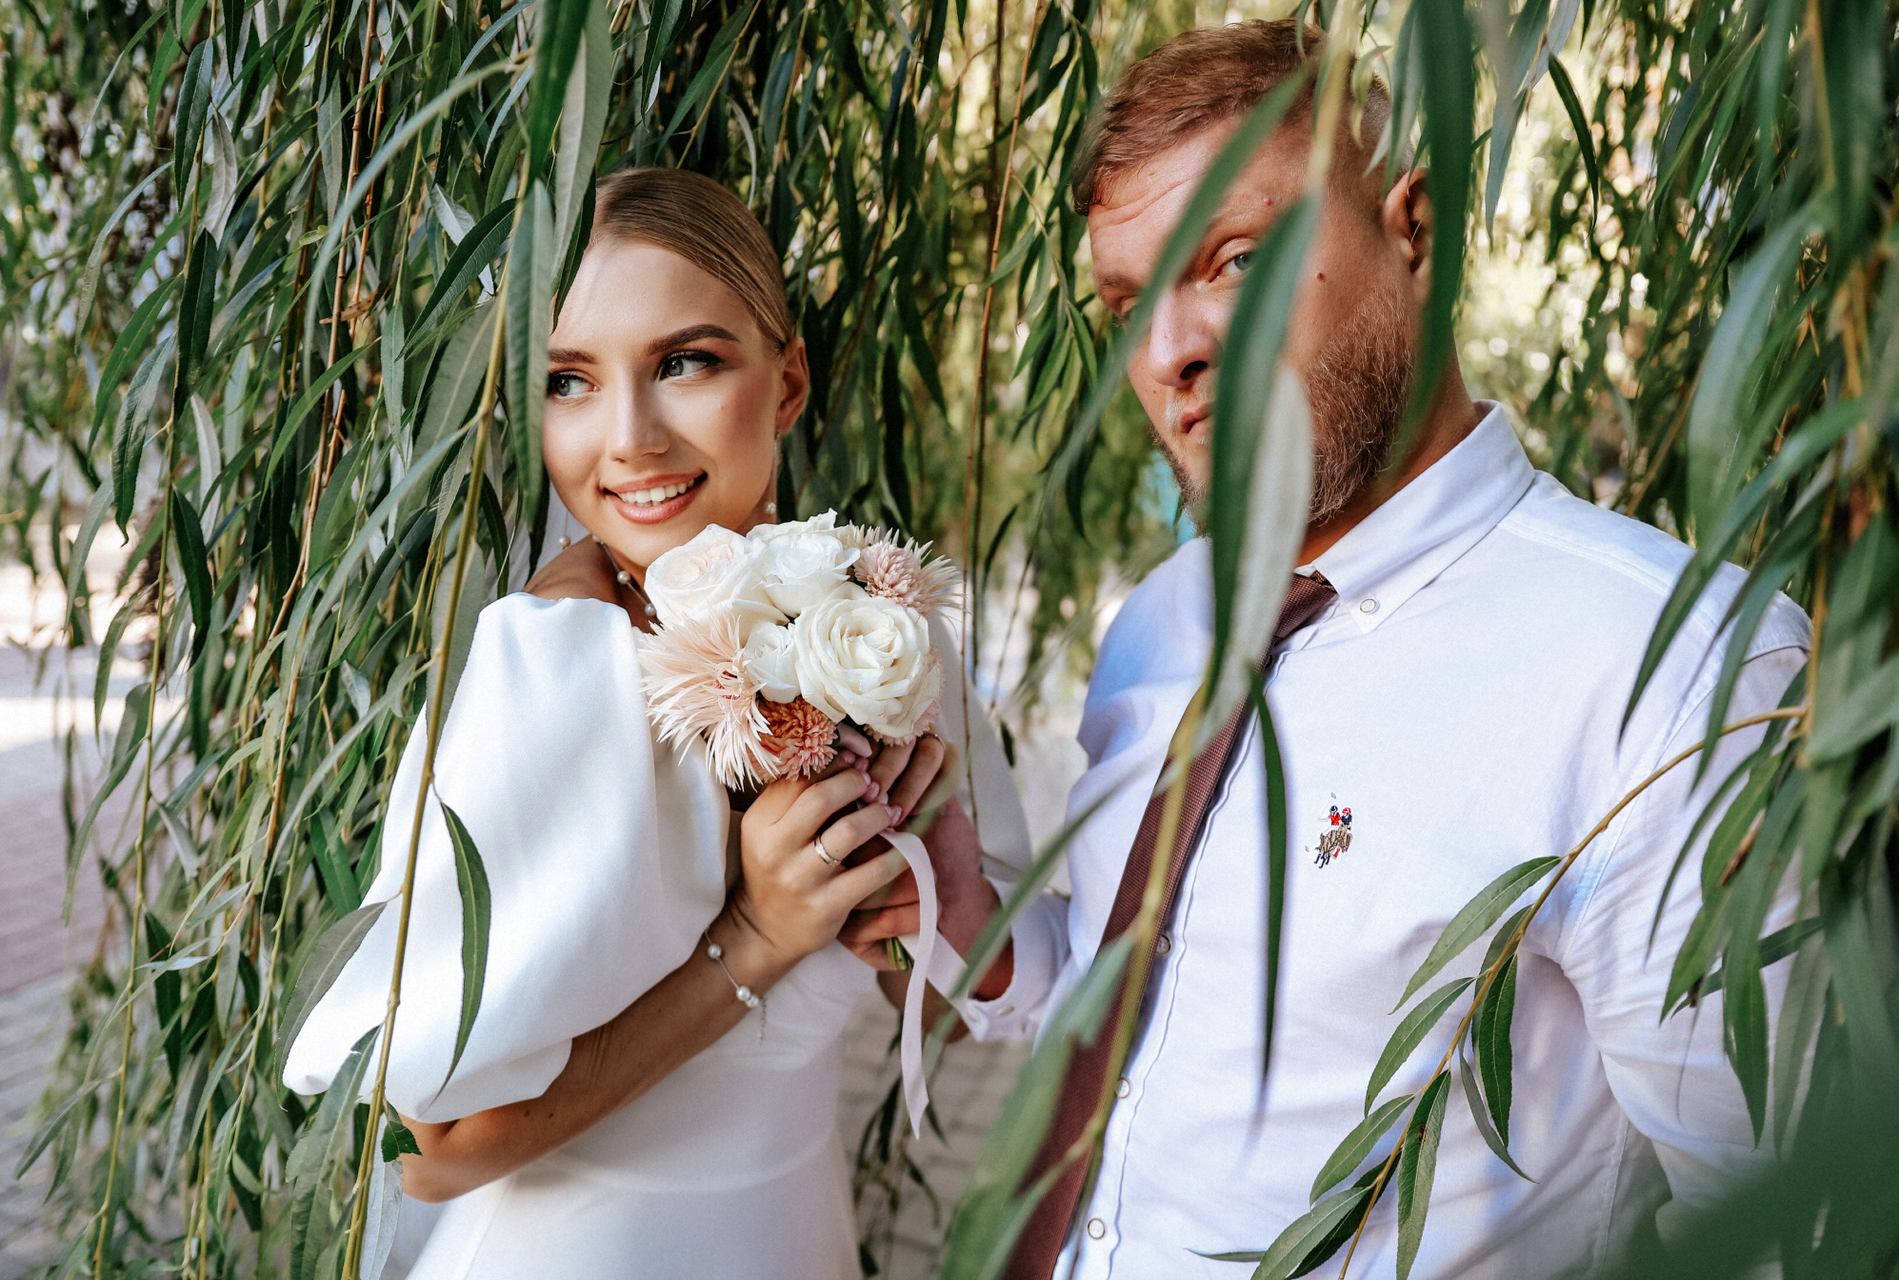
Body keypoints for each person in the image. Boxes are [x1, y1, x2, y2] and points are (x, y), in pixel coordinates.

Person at [912, 21, 1810, 1280]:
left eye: (1234, 259)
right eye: (1127, 304)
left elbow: (1784, 1221)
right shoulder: (1159, 624)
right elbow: (1146, 1016)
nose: (1168, 353)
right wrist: (978, 923)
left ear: (1417, 231)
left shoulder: (1672, 673)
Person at [282, 167, 1028, 1279]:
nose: (629, 437)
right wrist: (758, 935)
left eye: (684, 363)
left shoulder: (882, 635)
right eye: (568, 381)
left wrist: (923, 897)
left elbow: (959, 1009)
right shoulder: (551, 665)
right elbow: (428, 1153)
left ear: (787, 381)